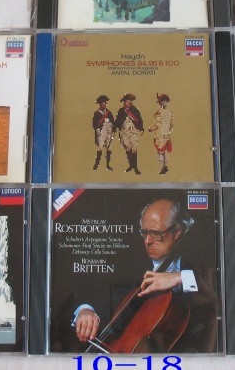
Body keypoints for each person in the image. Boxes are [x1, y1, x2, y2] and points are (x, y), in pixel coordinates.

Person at [73, 198, 218, 353]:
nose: (148, 241)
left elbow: (217, 300)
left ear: (177, 231)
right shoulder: (130, 265)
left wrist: (180, 277)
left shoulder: (201, 262)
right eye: (144, 233)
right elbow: (96, 294)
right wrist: (85, 310)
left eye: (155, 233)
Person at [114, 93, 144, 174]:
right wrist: (114, 129)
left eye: (130, 101)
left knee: (134, 148)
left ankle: (135, 167)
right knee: (128, 148)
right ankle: (131, 165)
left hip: (133, 131)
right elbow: (117, 121)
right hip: (124, 132)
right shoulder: (121, 111)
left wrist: (141, 129)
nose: (129, 102)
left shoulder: (135, 110)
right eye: (128, 101)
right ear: (124, 102)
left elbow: (139, 120)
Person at [148, 94, 174, 175]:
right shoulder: (170, 113)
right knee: (165, 152)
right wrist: (168, 132)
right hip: (166, 136)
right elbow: (172, 126)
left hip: (160, 135)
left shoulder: (159, 113)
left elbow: (158, 124)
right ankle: (165, 167)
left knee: (161, 152)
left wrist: (151, 128)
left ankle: (163, 167)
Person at [92, 95, 115, 171]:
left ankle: (108, 165)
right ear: (100, 104)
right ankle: (96, 164)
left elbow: (113, 123)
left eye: (105, 102)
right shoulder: (97, 113)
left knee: (109, 149)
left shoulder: (109, 113)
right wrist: (97, 130)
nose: (104, 104)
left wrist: (113, 131)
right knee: (100, 148)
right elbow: (94, 124)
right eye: (102, 103)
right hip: (101, 132)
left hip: (109, 132)